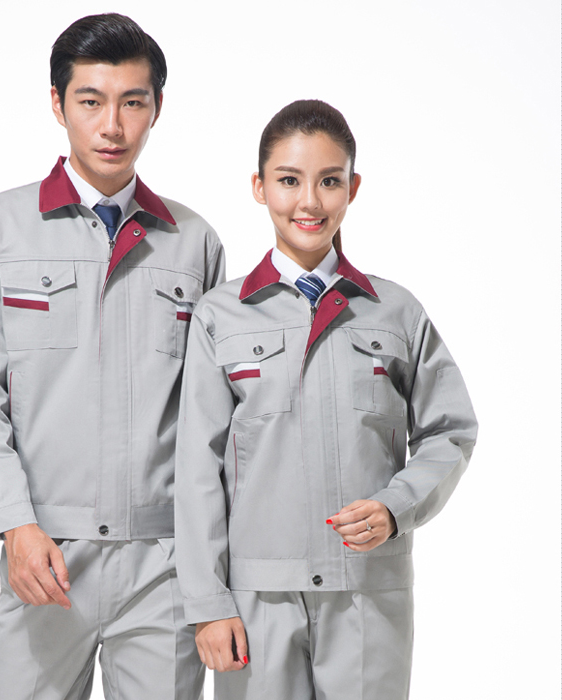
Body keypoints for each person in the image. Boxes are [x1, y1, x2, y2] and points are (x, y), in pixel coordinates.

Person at [0, 13, 224, 700]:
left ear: (157, 107)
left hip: (164, 565)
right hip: (45, 555)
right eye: (91, 101)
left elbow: (215, 420)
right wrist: (16, 524)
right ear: (57, 103)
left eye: (133, 102)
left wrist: (211, 570)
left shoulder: (194, 243)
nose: (112, 126)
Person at [174, 99, 477, 699]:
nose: (309, 202)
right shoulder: (220, 316)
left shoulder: (395, 312)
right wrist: (208, 604)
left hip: (367, 591)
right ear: (259, 187)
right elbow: (196, 468)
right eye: (289, 181)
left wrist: (397, 506)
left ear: (352, 188)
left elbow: (451, 431)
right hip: (257, 600)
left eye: (329, 181)